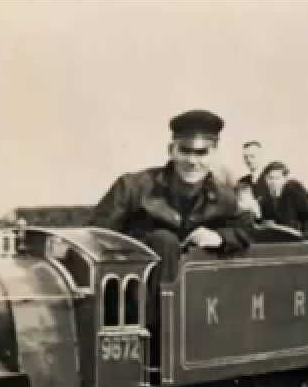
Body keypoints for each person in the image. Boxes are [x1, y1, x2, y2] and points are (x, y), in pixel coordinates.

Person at [89, 108, 255, 288]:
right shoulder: (132, 187)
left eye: (202, 153)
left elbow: (247, 229)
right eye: (185, 151)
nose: (192, 161)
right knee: (164, 239)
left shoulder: (225, 197)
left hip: (192, 299)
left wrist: (219, 237)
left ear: (214, 154)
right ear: (171, 150)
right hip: (131, 301)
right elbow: (94, 238)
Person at [256, 161, 308, 236]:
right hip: (275, 238)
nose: (273, 182)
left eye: (277, 178)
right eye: (270, 178)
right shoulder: (265, 198)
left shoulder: (295, 191)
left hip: (299, 237)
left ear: (285, 179)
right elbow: (264, 222)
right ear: (266, 179)